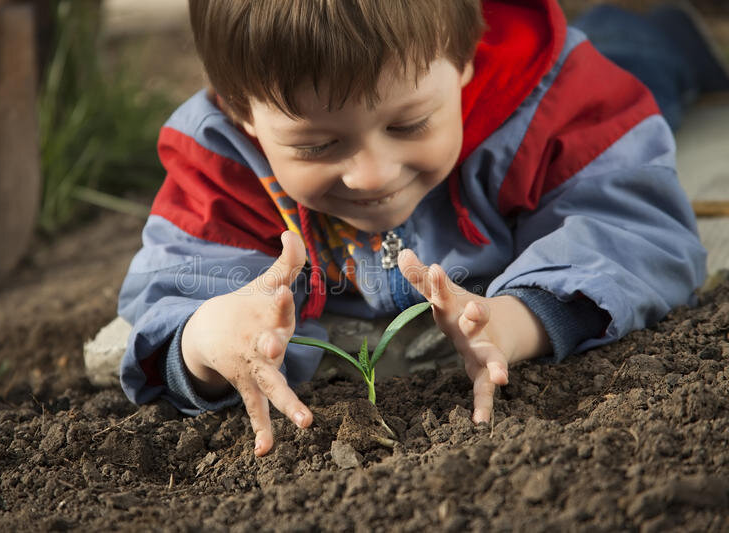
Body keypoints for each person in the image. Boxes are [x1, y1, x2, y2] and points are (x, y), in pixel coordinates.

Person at [117, 0, 722, 457]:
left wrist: (520, 319)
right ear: (242, 110)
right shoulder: (223, 165)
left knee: (640, 65)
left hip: (590, 82)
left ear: (462, 62)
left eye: (408, 126)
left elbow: (628, 220)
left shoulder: (549, 103)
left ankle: (660, 30)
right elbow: (177, 279)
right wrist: (204, 337)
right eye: (319, 143)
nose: (371, 174)